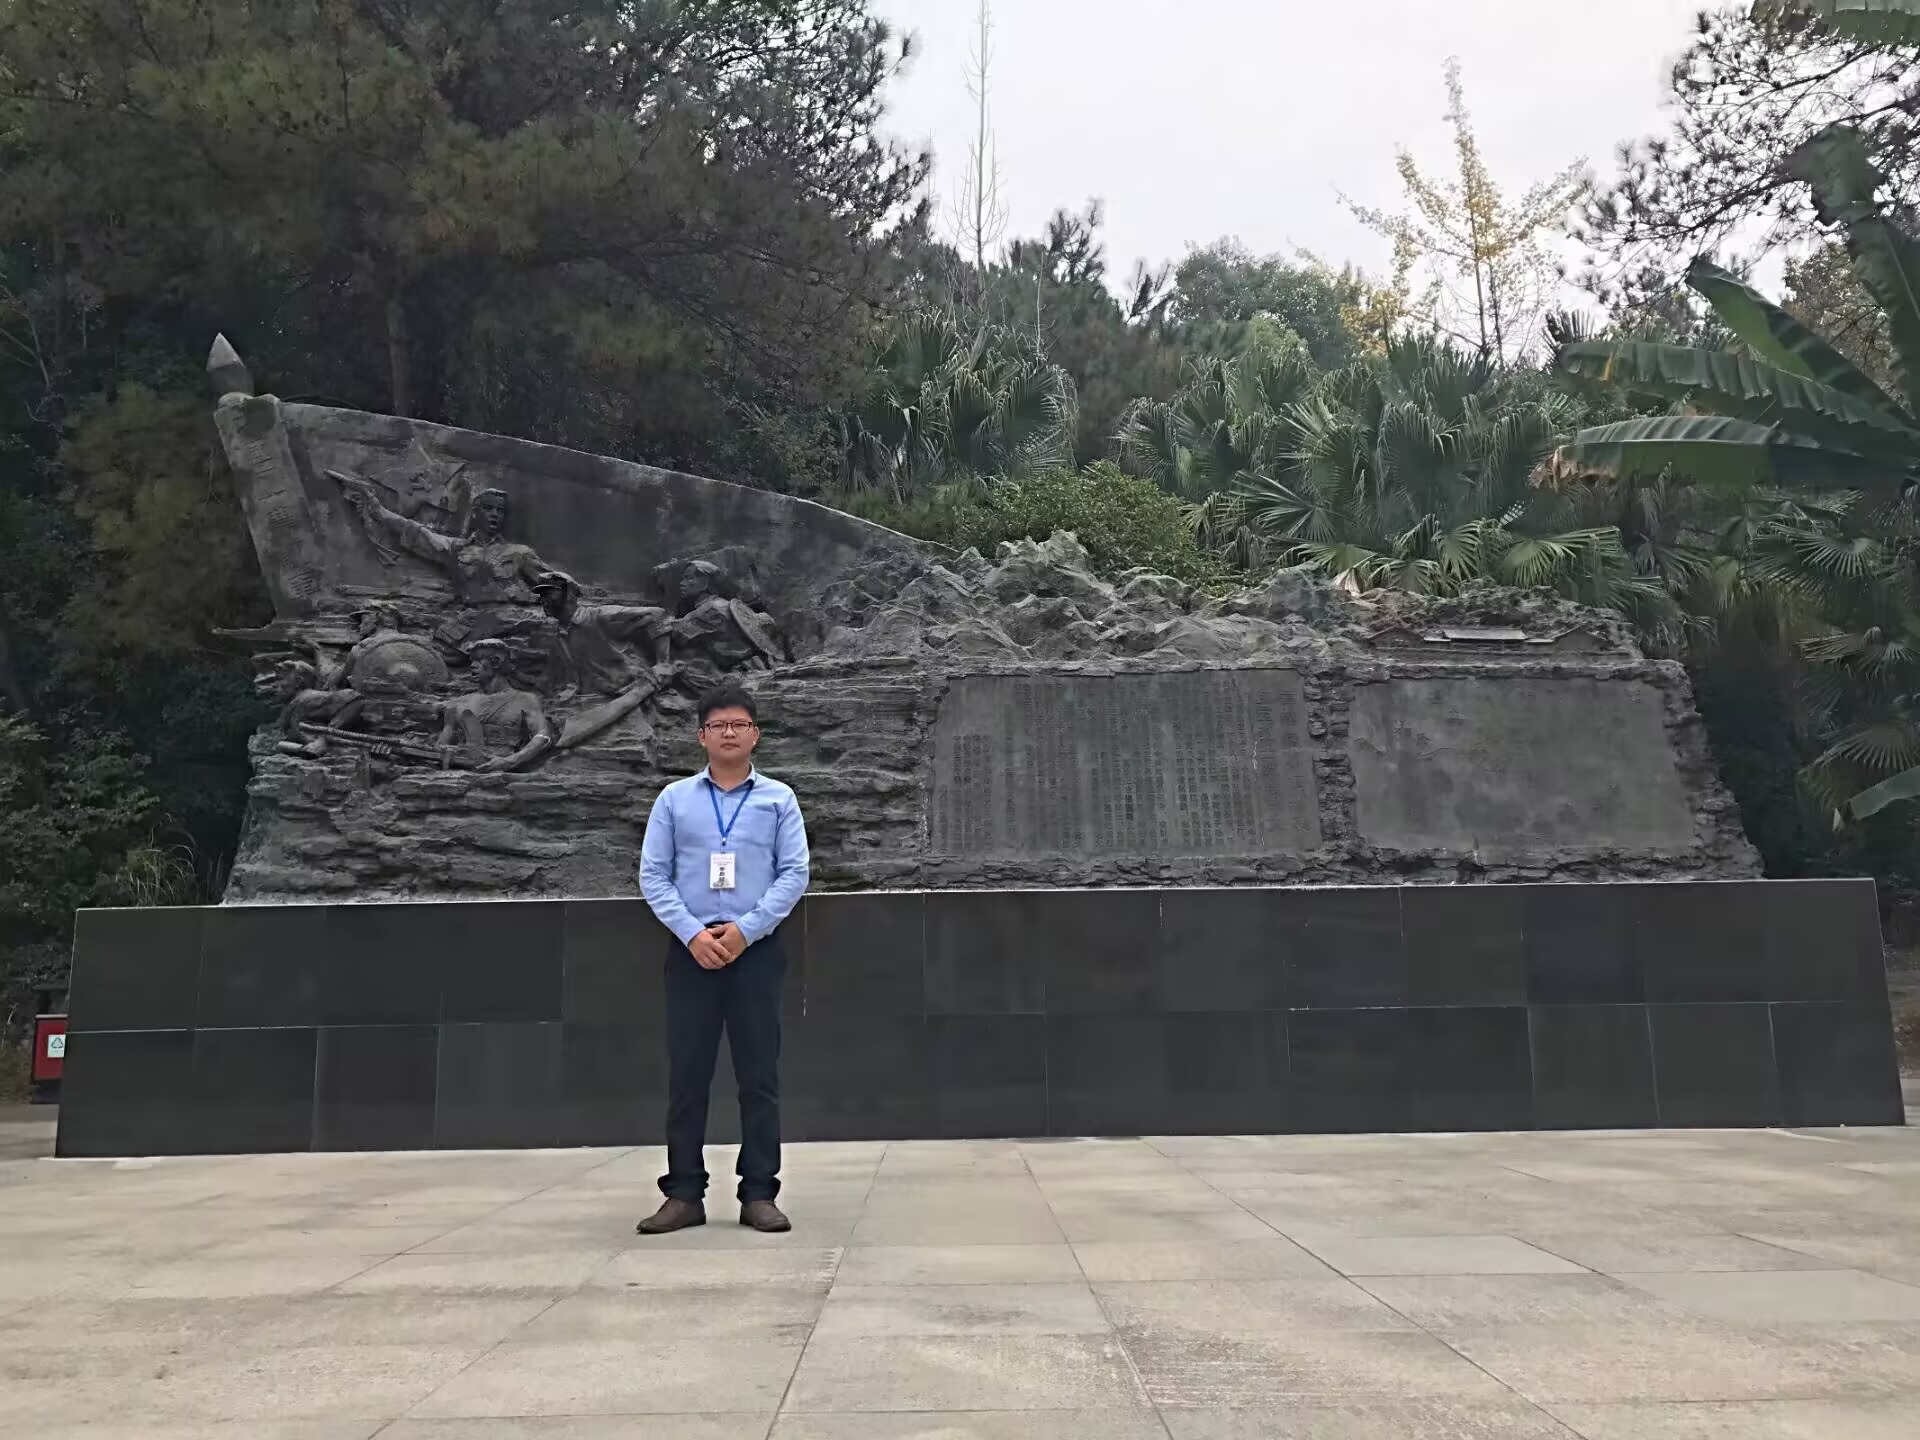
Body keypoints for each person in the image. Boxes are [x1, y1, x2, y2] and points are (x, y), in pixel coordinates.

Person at [637, 682, 810, 1235]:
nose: (729, 733)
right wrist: (693, 935)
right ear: (702, 737)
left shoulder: (779, 799)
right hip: (691, 951)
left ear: (755, 734)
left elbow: (794, 874)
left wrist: (745, 931)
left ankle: (759, 1192)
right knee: (688, 1075)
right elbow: (653, 875)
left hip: (755, 952)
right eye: (718, 725)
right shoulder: (674, 799)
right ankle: (683, 1193)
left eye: (739, 724)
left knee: (759, 1075)